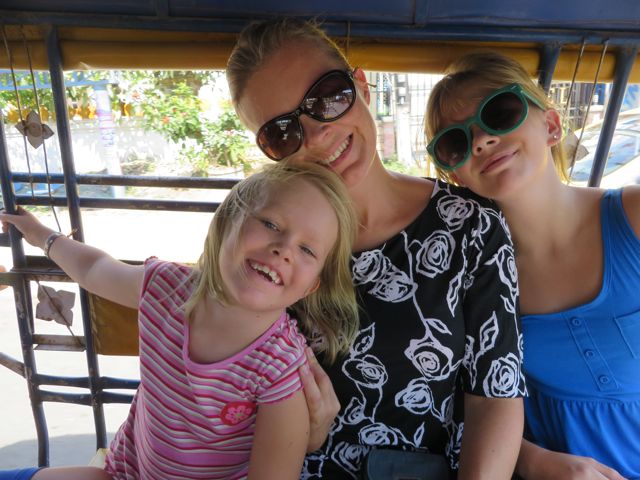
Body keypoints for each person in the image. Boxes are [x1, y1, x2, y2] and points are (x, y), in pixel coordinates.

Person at [227, 18, 526, 479]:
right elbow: (216, 360)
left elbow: (494, 397)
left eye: (328, 97)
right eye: (283, 132)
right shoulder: (263, 241)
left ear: (361, 86)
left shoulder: (471, 227)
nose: (317, 134)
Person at [0, 161, 359, 480]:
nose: (284, 249)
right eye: (270, 224)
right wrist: (43, 237)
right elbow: (95, 269)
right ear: (227, 221)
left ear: (312, 286)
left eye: (307, 249)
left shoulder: (281, 371)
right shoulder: (165, 287)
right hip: (124, 472)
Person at [425, 51, 640, 480]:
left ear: (552, 125)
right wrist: (532, 460)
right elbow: (454, 402)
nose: (481, 141)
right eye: (456, 142)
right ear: (455, 174)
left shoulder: (632, 218)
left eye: (499, 113)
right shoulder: (470, 271)